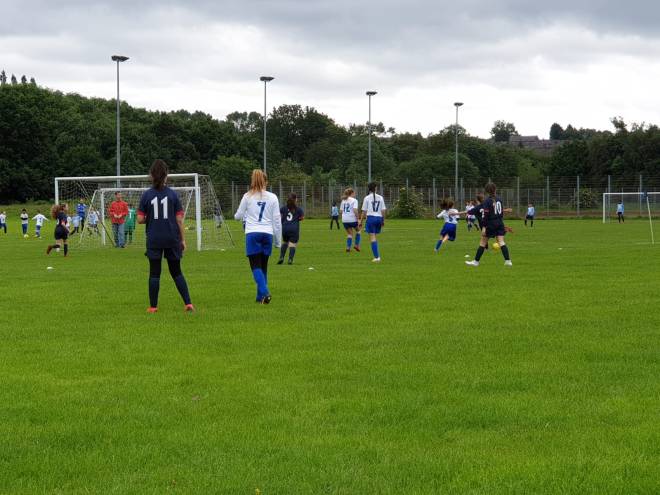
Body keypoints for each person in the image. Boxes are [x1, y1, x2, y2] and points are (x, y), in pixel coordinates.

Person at [137, 159, 194, 313]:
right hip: (172, 238)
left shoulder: (146, 195)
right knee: (176, 271)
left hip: (154, 238)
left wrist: (151, 218)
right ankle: (188, 304)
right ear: (166, 175)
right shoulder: (173, 195)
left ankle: (153, 307)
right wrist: (183, 240)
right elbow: (179, 220)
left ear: (151, 175)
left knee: (154, 273)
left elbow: (140, 219)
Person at [234, 169, 281, 304]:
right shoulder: (273, 197)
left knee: (255, 266)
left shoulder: (247, 196)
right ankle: (260, 297)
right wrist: (278, 241)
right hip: (267, 234)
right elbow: (277, 220)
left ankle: (265, 292)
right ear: (265, 182)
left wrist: (237, 216)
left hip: (253, 233)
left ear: (252, 181)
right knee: (263, 266)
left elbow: (238, 216)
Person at [466, 183, 512, 267]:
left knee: (483, 242)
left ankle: (476, 262)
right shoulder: (499, 199)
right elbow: (501, 213)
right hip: (499, 222)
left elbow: (486, 215)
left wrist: (484, 227)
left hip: (491, 224)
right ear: (495, 189)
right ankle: (508, 261)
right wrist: (501, 224)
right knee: (501, 241)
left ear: (486, 191)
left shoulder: (487, 201)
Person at [359, 182, 387, 262]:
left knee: (372, 237)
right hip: (379, 218)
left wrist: (360, 221)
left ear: (369, 189)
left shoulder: (367, 198)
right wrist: (383, 220)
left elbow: (364, 211)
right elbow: (383, 210)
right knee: (374, 236)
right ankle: (377, 256)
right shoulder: (380, 197)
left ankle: (377, 257)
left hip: (371, 218)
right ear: (376, 188)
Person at [278, 193, 304, 265]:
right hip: (294, 229)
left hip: (285, 228)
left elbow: (279, 216)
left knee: (285, 242)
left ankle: (281, 257)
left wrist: (283, 221)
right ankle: (290, 259)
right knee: (292, 244)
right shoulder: (298, 209)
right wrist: (297, 219)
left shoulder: (283, 208)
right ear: (295, 199)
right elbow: (302, 217)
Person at [340, 188, 361, 252]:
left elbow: (341, 211)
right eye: (354, 193)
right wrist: (358, 219)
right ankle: (356, 245)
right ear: (351, 193)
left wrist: (344, 217)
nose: (354, 194)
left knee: (350, 234)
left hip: (344, 219)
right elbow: (355, 210)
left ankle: (348, 247)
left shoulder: (343, 200)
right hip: (352, 219)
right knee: (358, 231)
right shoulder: (354, 200)